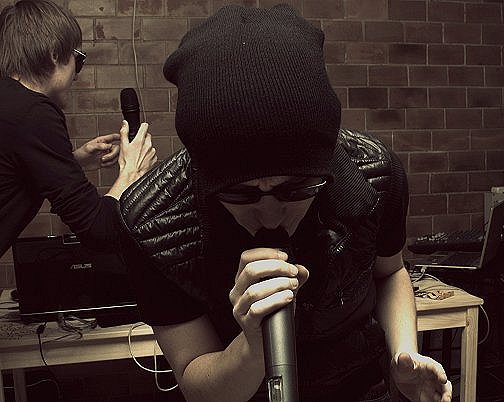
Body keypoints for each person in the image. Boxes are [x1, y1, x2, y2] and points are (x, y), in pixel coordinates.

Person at [118, 4, 452, 402]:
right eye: (240, 194)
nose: (271, 214)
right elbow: (196, 382)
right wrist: (252, 346)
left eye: (296, 190)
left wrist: (404, 355)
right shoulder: (152, 223)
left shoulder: (376, 174)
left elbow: (390, 272)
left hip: (359, 386)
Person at [0, 0, 157, 255]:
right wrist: (132, 170)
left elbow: (12, 170)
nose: (76, 75)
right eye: (79, 59)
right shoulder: (34, 112)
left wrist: (72, 161)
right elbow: (99, 232)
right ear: (54, 54)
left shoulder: (10, 103)